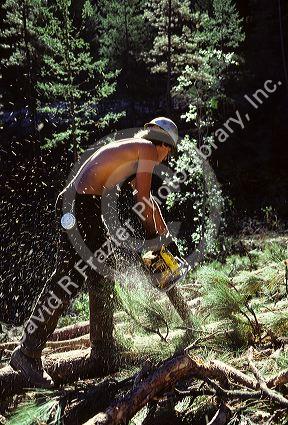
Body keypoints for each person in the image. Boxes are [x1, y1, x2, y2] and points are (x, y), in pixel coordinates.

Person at [10, 117, 180, 388]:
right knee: (68, 278)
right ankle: (28, 352)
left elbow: (148, 203)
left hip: (82, 207)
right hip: (79, 207)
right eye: (169, 151)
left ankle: (102, 347)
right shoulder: (146, 149)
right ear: (164, 144)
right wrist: (154, 240)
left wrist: (166, 240)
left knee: (103, 273)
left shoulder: (136, 149)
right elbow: (142, 202)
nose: (166, 157)